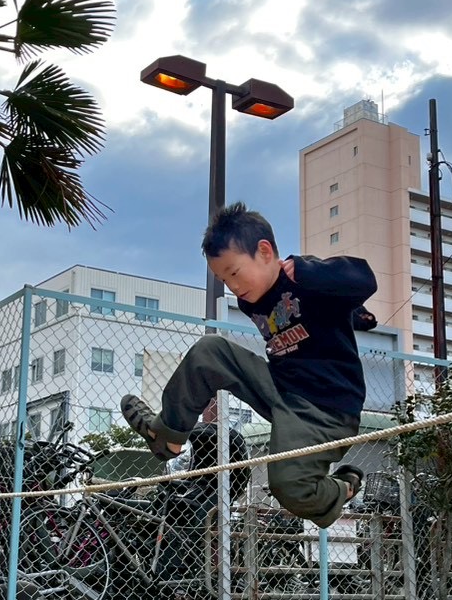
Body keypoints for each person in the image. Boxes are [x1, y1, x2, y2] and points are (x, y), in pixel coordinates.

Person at [122, 202, 377, 529]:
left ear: (265, 251)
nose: (233, 286)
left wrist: (313, 275)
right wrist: (355, 316)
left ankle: (343, 486)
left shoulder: (303, 276)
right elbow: (319, 315)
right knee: (210, 351)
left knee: (288, 486)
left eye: (234, 272)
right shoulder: (249, 299)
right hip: (279, 387)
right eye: (222, 278)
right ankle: (168, 435)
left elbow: (363, 278)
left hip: (324, 408)